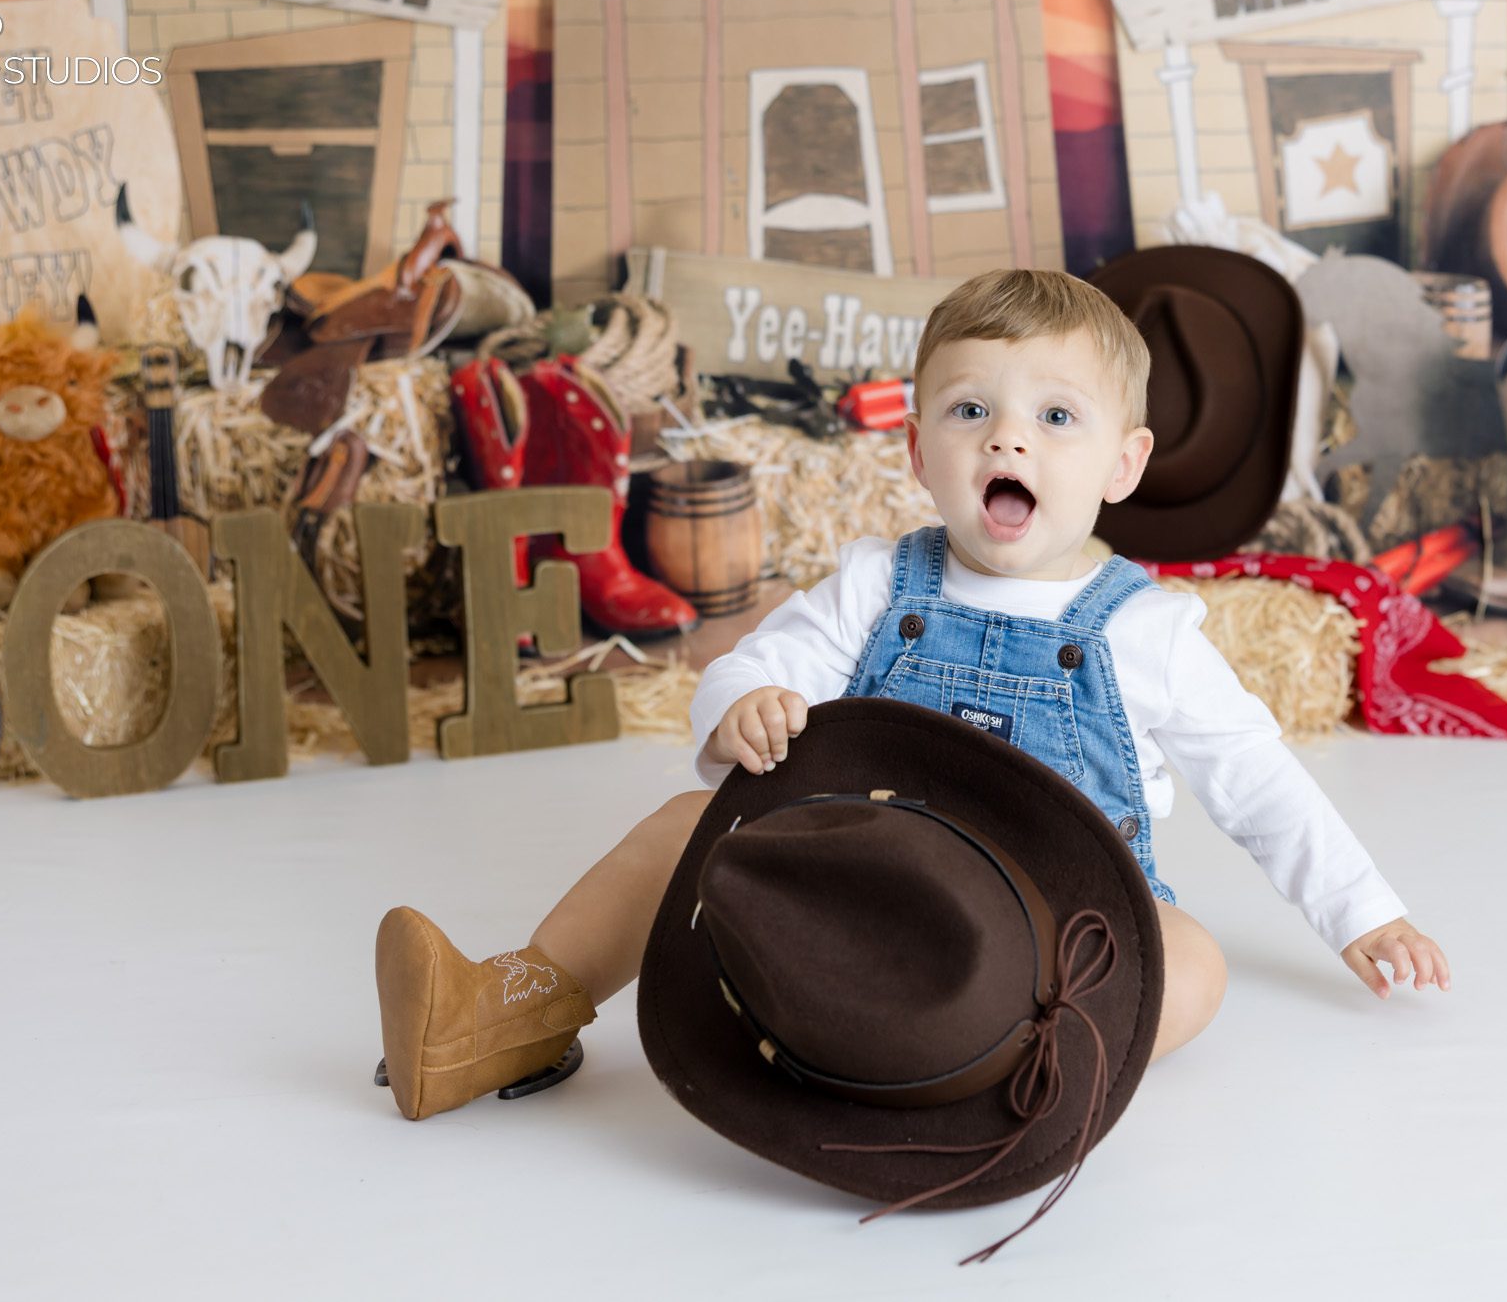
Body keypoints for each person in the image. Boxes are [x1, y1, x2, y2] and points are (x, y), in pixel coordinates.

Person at [374, 268, 1452, 1122]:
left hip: (1046, 942)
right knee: (679, 826)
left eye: (1055, 417)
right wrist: (740, 707)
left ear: (1124, 464)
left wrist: (1364, 912)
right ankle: (505, 1012)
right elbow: (755, 665)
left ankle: (1007, 1072)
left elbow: (1258, 783)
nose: (1008, 437)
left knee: (1193, 967)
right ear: (914, 449)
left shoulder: (1145, 630)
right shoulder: (872, 585)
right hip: (858, 904)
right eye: (970, 409)